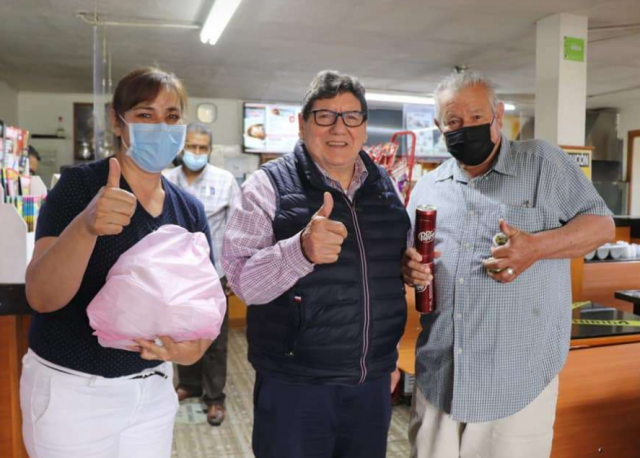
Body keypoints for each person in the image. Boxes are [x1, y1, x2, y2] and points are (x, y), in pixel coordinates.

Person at [403, 71, 615, 458]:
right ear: (438, 125)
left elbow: (602, 226)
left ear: (498, 115)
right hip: (441, 376)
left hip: (515, 381)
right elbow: (411, 258)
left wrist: (536, 247)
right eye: (453, 120)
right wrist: (409, 268)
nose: (465, 128)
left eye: (476, 117)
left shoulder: (542, 164)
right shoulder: (428, 188)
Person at [21, 67, 216, 458]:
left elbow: (204, 304)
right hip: (74, 393)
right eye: (145, 114)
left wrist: (189, 352)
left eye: (172, 116)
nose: (161, 127)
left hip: (153, 391)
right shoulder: (79, 187)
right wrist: (86, 226)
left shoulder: (189, 209)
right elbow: (41, 297)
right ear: (117, 121)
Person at [222, 70, 410, 458]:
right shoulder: (267, 186)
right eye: (325, 116)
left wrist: (408, 270)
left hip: (371, 381)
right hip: (296, 384)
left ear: (364, 126)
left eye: (351, 116)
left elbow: (384, 270)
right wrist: (300, 251)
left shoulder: (384, 186)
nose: (339, 128)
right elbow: (242, 282)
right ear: (302, 123)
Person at [165, 122, 240, 426]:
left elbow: (237, 229)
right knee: (181, 331)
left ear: (210, 150)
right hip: (176, 274)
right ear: (182, 148)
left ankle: (214, 397)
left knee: (213, 337)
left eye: (202, 148)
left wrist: (233, 273)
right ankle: (189, 384)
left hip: (213, 272)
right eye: (192, 146)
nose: (196, 152)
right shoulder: (165, 179)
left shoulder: (225, 180)